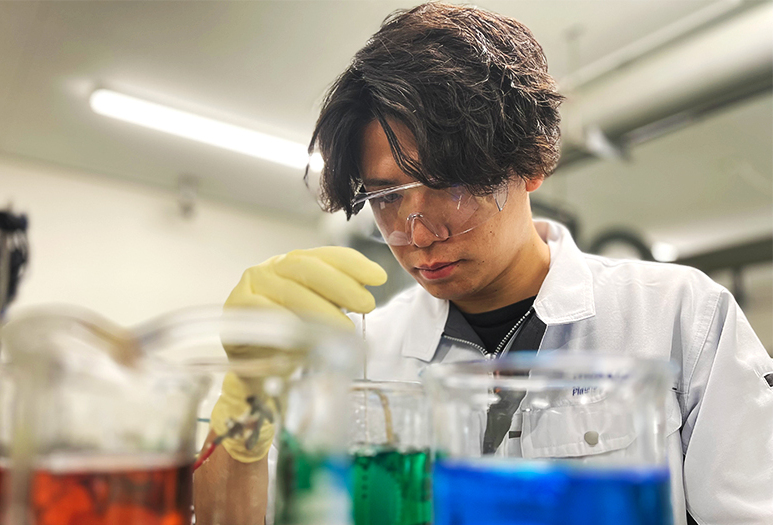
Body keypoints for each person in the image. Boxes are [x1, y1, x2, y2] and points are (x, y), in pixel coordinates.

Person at [196, 3, 773, 525]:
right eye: (387, 198)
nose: (417, 234)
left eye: (448, 186)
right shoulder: (363, 351)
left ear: (530, 164)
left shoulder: (677, 316)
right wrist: (245, 399)